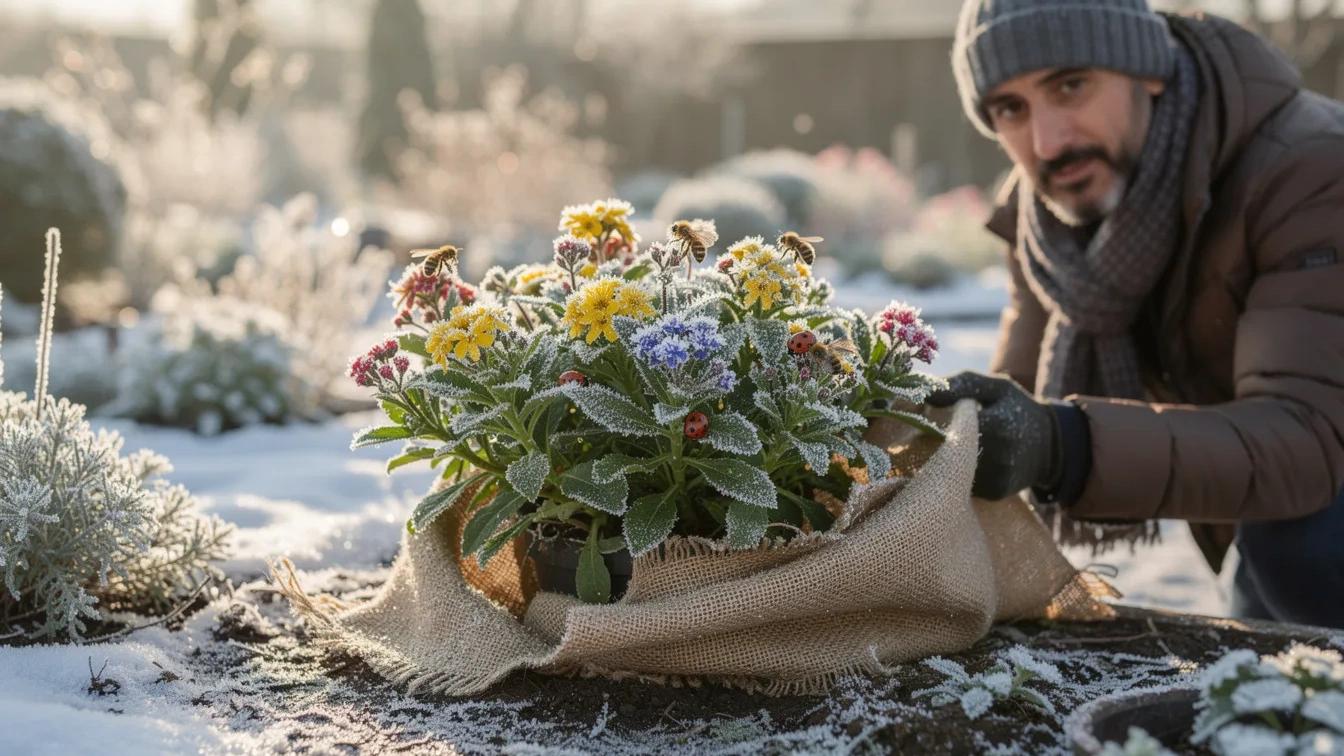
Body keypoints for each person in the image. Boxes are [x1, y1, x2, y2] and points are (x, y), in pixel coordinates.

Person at [928, 0, 1344, 629]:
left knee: (1293, 558)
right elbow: (1016, 398)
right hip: (1273, 520)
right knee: (1262, 646)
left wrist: (1064, 444)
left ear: (1149, 69)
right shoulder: (1047, 222)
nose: (1048, 142)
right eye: (1010, 109)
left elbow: (1305, 439)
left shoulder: (1309, 170)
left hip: (1312, 510)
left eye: (1070, 85)